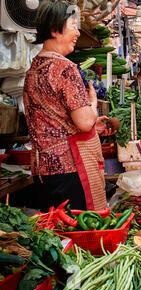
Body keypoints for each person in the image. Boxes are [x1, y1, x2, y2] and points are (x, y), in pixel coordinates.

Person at [24, 0, 113, 212]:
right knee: (77, 235)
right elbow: (83, 123)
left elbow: (55, 119)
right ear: (55, 30)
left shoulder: (33, 71)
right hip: (70, 170)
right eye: (73, 26)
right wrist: (92, 104)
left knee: (55, 233)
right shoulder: (65, 68)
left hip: (42, 170)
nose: (77, 33)